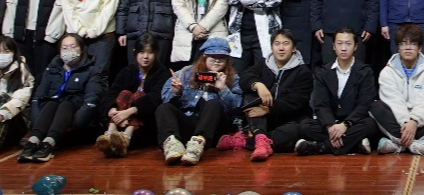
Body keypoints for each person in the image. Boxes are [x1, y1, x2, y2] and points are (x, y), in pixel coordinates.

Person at [218, 29, 313, 161]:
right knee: (251, 94)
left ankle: (244, 142)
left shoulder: (303, 71)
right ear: (272, 47)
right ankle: (260, 139)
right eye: (277, 44)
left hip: (288, 120)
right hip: (262, 121)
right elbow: (245, 77)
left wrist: (268, 109)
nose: (281, 48)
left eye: (286, 43)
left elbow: (295, 101)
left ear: (293, 48)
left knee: (296, 132)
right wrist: (257, 85)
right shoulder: (263, 63)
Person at [18, 34, 105, 162]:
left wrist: (75, 122)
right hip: (50, 112)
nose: (68, 51)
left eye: (73, 47)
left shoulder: (92, 71)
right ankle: (33, 142)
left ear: (81, 49)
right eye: (65, 48)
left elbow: (92, 99)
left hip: (73, 114)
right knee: (51, 103)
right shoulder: (51, 69)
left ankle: (48, 144)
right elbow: (38, 96)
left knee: (65, 104)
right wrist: (36, 119)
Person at [157, 37, 242, 165]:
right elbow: (165, 99)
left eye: (222, 58)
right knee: (163, 108)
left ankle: (197, 146)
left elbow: (237, 107)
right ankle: (172, 144)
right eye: (213, 57)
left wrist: (223, 89)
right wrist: (177, 92)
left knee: (213, 104)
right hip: (189, 121)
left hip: (213, 128)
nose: (217, 61)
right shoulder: (186, 73)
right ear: (204, 57)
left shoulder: (233, 77)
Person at [295, 28, 378, 156]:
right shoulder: (323, 72)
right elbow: (320, 103)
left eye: (348, 44)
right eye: (339, 43)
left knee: (370, 125)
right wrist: (330, 127)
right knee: (305, 126)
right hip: (331, 122)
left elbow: (364, 104)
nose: (343, 48)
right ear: (333, 46)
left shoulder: (365, 71)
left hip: (353, 123)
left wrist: (345, 124)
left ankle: (321, 147)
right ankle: (354, 145)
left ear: (355, 47)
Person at [370, 23, 424, 156]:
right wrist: (405, 122)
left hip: (421, 120)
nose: (408, 47)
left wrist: (414, 121)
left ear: (420, 47)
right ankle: (416, 145)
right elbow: (394, 101)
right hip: (398, 120)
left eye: (413, 43)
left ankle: (397, 144)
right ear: (398, 48)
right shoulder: (387, 72)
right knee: (376, 106)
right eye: (403, 43)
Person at [96, 33, 171, 157]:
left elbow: (156, 98)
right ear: (135, 53)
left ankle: (126, 138)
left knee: (140, 96)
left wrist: (129, 112)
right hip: (119, 121)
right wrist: (113, 111)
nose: (145, 56)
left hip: (143, 124)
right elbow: (112, 92)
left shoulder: (162, 73)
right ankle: (110, 134)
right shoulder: (127, 71)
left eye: (150, 52)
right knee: (125, 93)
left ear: (156, 53)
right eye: (142, 52)